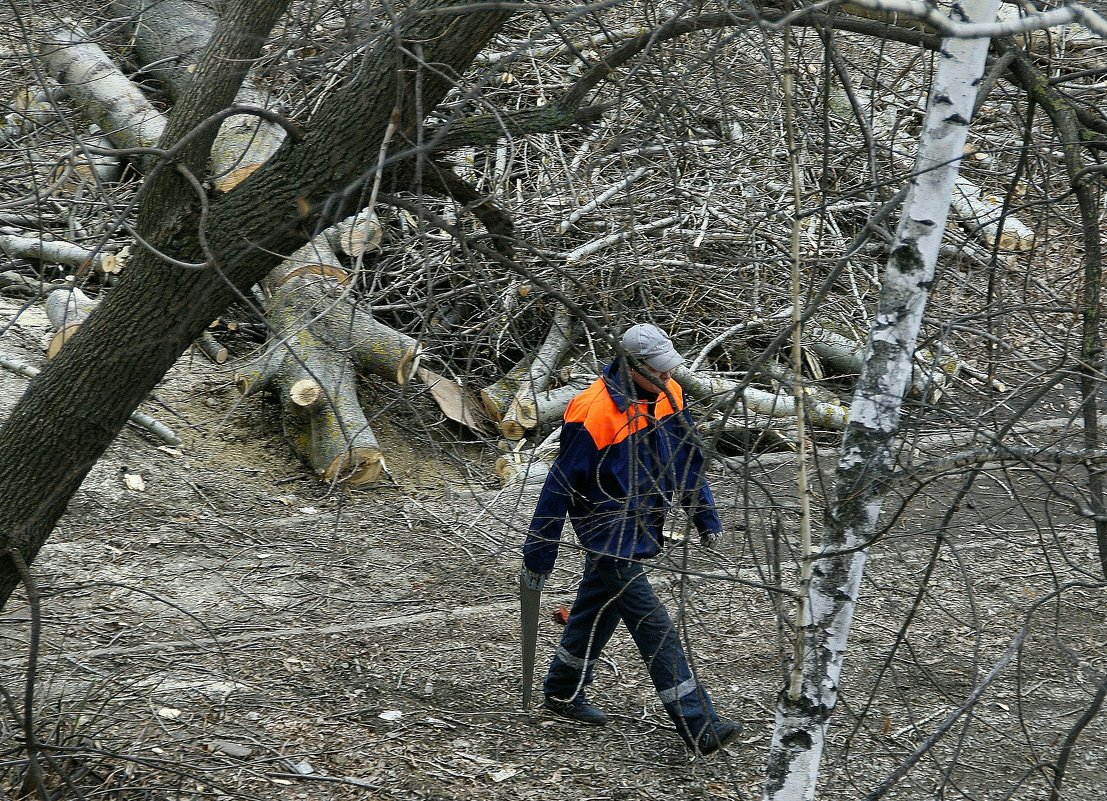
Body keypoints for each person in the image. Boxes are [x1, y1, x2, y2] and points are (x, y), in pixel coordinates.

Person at [520, 322, 740, 755]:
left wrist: (704, 515)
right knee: (653, 624)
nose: (666, 377)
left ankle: (562, 691)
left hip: (644, 524)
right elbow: (560, 485)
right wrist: (539, 550)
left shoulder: (670, 394)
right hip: (604, 531)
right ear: (631, 364)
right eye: (657, 370)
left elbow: (687, 459)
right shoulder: (592, 411)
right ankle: (699, 725)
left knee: (596, 609)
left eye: (667, 369)